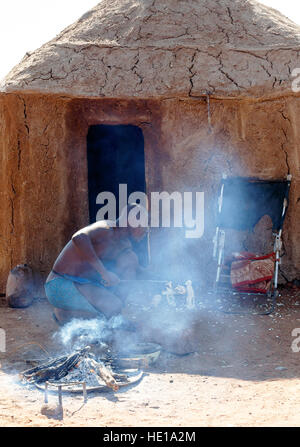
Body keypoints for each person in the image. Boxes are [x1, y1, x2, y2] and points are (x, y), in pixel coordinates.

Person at [45, 204, 148, 324]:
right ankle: (64, 314)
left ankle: (107, 316)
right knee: (112, 308)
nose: (146, 230)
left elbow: (133, 267)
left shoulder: (124, 244)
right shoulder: (106, 228)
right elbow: (79, 237)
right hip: (60, 284)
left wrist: (163, 280)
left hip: (82, 284)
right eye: (144, 224)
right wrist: (105, 274)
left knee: (130, 259)